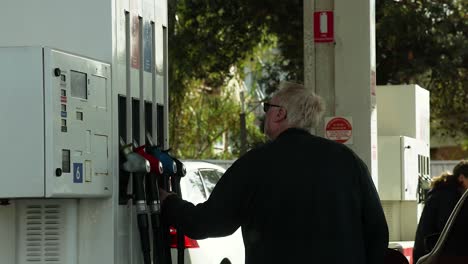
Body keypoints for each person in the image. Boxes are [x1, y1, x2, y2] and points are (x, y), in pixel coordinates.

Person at [160, 82, 389, 264]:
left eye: (267, 107)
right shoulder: (349, 162)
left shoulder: (255, 163)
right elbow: (377, 232)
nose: (265, 114)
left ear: (280, 114)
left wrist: (168, 202)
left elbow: (208, 223)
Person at [413, 160, 468, 263]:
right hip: (432, 254)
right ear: (461, 177)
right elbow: (447, 228)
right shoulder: (448, 195)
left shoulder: (445, 191)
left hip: (428, 252)